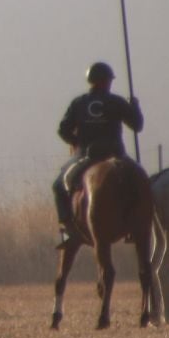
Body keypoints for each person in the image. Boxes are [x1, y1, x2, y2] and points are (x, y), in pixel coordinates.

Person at [51, 62, 144, 246]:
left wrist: (75, 142)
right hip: (116, 155)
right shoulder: (116, 101)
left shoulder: (79, 103)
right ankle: (139, 225)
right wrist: (135, 107)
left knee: (59, 187)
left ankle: (68, 231)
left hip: (87, 155)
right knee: (142, 184)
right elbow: (137, 126)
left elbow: (63, 130)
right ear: (107, 81)